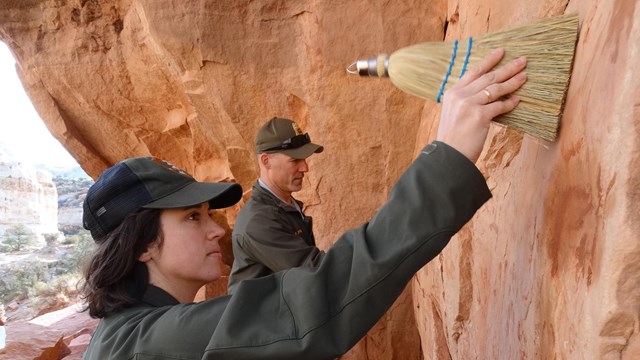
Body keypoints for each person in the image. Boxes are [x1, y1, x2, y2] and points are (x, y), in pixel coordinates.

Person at [80, 48, 527, 359]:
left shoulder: (139, 331)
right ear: (142, 245)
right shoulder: (149, 344)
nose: (217, 230)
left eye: (209, 214)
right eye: (192, 217)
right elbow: (318, 296)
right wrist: (445, 157)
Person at [227, 117, 325, 294]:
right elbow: (313, 269)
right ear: (266, 161)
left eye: (304, 159)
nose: (305, 168)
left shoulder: (286, 204)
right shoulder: (258, 221)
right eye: (295, 160)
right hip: (264, 321)